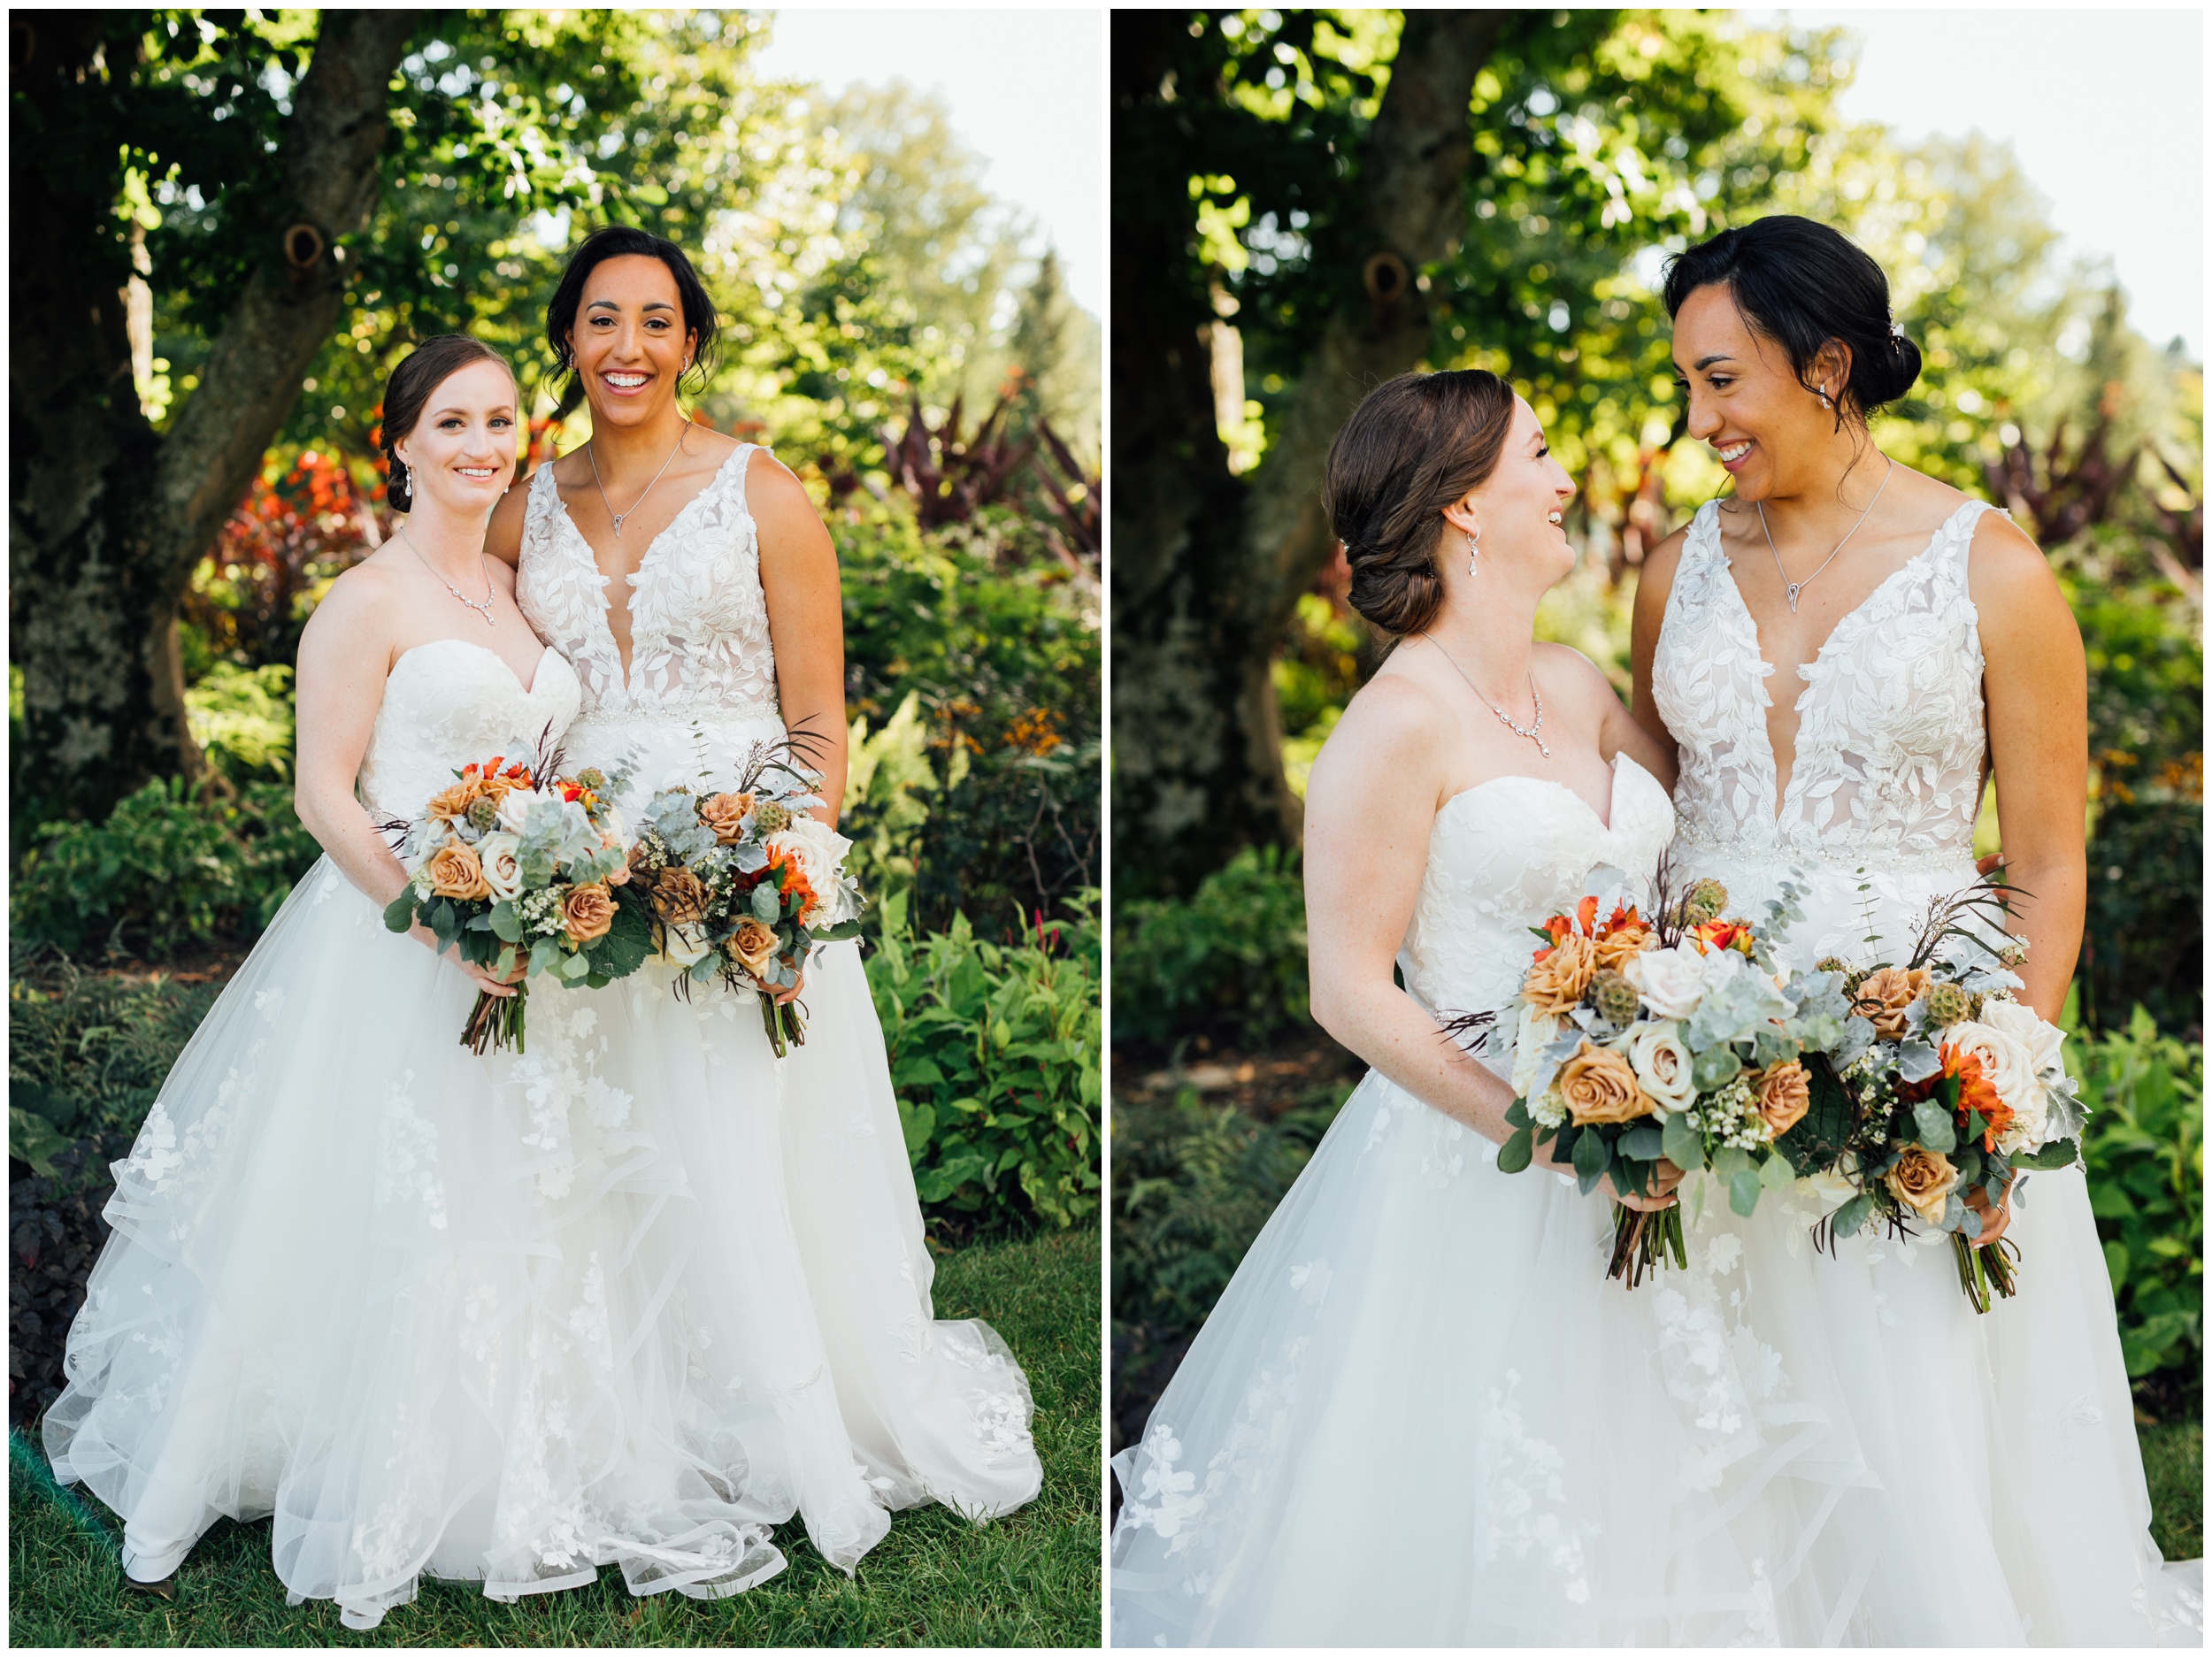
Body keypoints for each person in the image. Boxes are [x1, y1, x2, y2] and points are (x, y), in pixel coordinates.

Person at [44, 338, 807, 1629]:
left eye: (502, 420)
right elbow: (321, 792)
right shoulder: (366, 603)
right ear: (398, 441)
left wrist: (557, 887)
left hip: (530, 954)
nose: (483, 444)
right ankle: (348, 1462)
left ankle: (539, 1453)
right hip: (394, 946)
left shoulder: (521, 593)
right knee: (396, 1212)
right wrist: (429, 915)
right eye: (452, 421)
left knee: (544, 1205)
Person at [1110, 369, 1881, 1645]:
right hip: (1483, 1162)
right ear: (1466, 505)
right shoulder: (1390, 726)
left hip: (1660, 1134)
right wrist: (1556, 1124)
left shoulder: (1577, 684)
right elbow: (1348, 990)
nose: (1567, 477)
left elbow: (1699, 857)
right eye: (1539, 454)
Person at [1632, 212, 2199, 1643]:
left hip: (1915, 1061)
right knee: (1694, 1391)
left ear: (1828, 365)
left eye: (1721, 380)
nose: (1699, 420)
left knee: (1904, 1402)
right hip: (1689, 1060)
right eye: (1689, 384)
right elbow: (1644, 809)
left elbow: (2049, 860)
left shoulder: (1994, 570)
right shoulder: (1673, 567)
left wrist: (1991, 1082)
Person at [482, 225, 1042, 1582]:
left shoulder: (762, 494)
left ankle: (778, 1409)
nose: (628, 347)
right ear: (568, 334)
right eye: (602, 319)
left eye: (656, 321)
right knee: (606, 1144)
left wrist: (783, 878)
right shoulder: (520, 506)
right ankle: (624, 1417)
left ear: (693, 341)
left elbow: (818, 723)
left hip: (738, 865)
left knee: (739, 1137)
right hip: (579, 877)